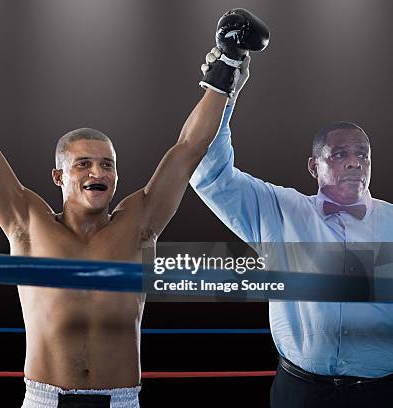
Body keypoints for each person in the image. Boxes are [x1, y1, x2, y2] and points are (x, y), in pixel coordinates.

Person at [0, 5, 267, 407]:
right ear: (60, 177)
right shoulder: (28, 223)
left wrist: (226, 70)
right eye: (84, 164)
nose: (98, 172)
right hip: (45, 398)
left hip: (121, 398)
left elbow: (187, 150)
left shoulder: (139, 222)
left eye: (107, 164)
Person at [191, 11, 393, 408]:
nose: (355, 162)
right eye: (339, 154)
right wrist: (224, 87)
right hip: (300, 392)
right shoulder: (281, 211)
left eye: (362, 155)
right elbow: (208, 173)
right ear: (313, 166)